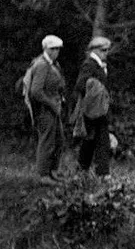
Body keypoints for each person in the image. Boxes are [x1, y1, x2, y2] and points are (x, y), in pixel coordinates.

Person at [20, 34, 67, 181]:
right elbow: (36, 91)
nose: (56, 52)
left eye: (58, 49)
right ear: (46, 49)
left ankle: (53, 171)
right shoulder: (41, 65)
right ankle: (43, 174)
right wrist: (51, 104)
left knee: (59, 139)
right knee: (47, 140)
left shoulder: (54, 65)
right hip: (44, 109)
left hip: (54, 106)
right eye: (53, 49)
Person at [70, 36, 114, 177]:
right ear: (94, 50)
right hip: (92, 110)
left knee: (90, 141)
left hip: (97, 109)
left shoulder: (99, 64)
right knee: (102, 142)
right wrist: (96, 90)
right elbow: (81, 85)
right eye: (103, 50)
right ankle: (102, 174)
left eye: (107, 50)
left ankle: (81, 171)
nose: (106, 52)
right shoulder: (89, 64)